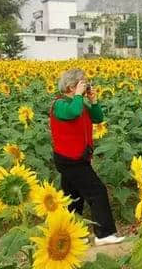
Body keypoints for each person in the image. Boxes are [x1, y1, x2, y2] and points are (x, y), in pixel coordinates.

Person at [50, 68, 124, 246]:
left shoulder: (80, 104)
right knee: (96, 191)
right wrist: (78, 96)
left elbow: (98, 118)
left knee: (72, 198)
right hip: (70, 159)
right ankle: (103, 234)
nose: (86, 86)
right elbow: (73, 113)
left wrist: (94, 101)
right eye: (83, 83)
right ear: (70, 87)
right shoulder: (59, 104)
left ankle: (70, 236)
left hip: (77, 157)